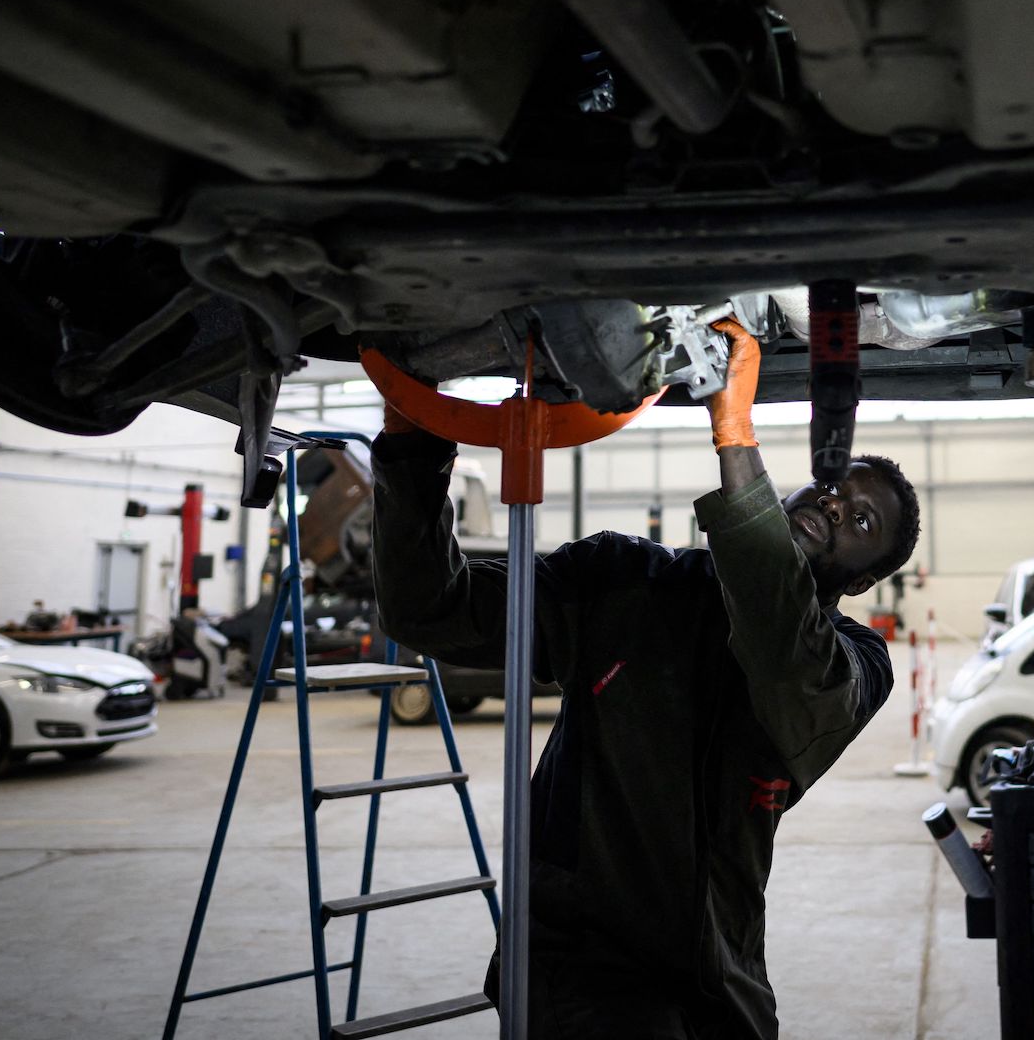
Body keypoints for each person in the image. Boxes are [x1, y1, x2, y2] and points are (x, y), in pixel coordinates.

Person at [369, 319, 921, 1038]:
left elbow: (781, 641)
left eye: (861, 520)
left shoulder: (853, 670)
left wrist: (735, 436)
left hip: (715, 995)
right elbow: (428, 608)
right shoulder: (626, 580)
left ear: (868, 577)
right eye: (829, 487)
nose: (833, 505)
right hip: (572, 979)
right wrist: (411, 431)